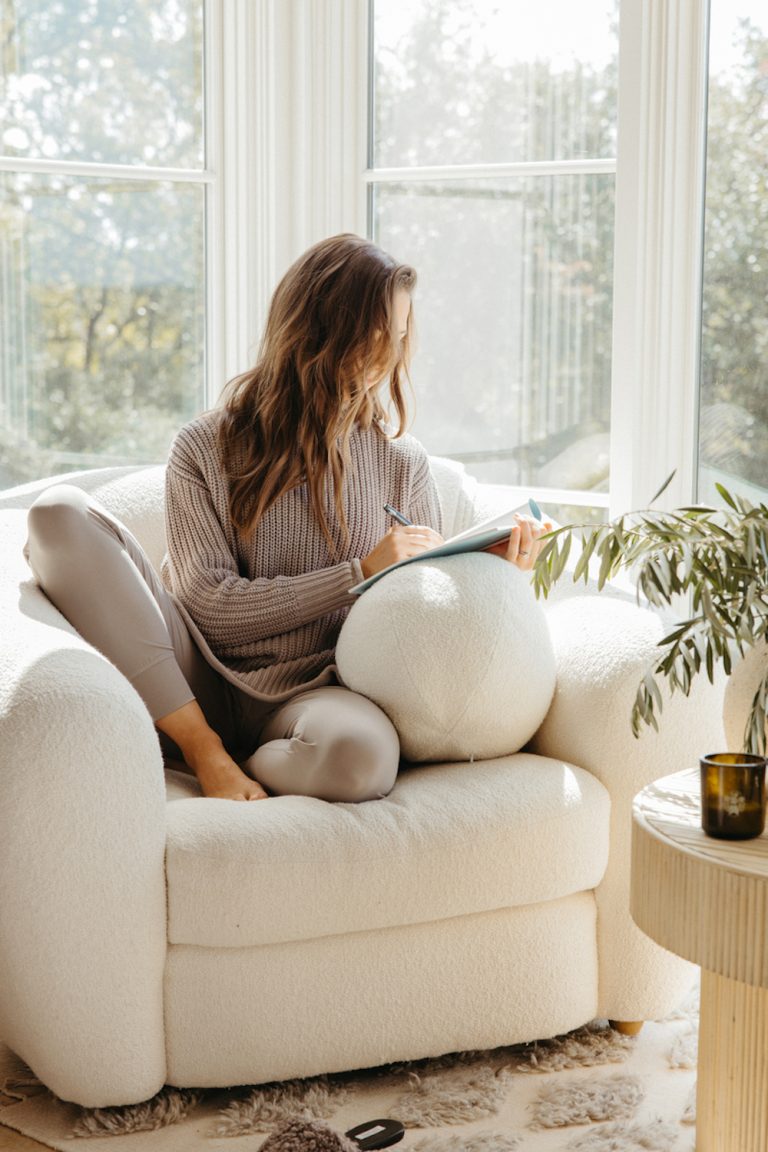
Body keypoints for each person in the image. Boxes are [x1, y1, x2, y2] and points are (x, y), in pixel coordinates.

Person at [25, 234, 548, 804]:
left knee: (361, 764)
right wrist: (357, 573)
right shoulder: (205, 446)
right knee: (59, 514)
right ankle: (203, 750)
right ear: (319, 331)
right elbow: (209, 608)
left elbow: (412, 622)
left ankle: (249, 758)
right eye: (376, 335)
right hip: (194, 671)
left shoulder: (404, 465)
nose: (390, 355)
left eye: (399, 337)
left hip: (319, 695)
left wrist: (488, 576)